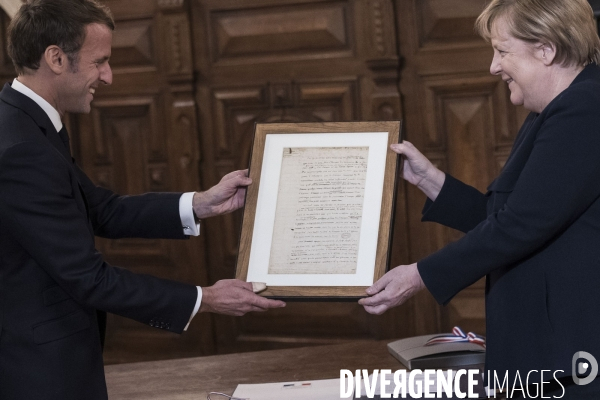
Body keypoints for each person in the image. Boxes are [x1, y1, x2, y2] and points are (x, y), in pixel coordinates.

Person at [0, 0, 285, 399]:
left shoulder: (25, 122)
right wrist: (205, 299)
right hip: (38, 372)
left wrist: (200, 203)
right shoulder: (20, 146)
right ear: (56, 59)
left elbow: (100, 209)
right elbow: (88, 278)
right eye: (100, 61)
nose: (109, 76)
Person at [359, 0, 600, 397]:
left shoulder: (585, 107)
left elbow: (521, 225)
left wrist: (420, 275)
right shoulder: (549, 111)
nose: (493, 66)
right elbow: (506, 215)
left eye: (502, 51)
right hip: (542, 352)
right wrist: (430, 180)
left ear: (546, 49)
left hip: (568, 358)